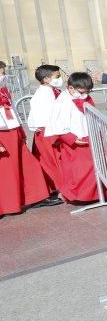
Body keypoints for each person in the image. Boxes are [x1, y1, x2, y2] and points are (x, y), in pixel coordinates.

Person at [0, 74, 61, 217]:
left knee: (29, 165)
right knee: (7, 172)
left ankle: (36, 197)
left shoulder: (4, 91)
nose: (3, 77)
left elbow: (12, 111)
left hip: (12, 130)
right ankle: (8, 205)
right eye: (1, 73)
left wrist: (20, 130)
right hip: (2, 135)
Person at [45, 72, 100, 203]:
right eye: (81, 92)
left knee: (94, 167)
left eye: (87, 92)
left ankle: (95, 194)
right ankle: (80, 196)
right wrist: (71, 138)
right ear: (70, 88)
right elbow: (57, 123)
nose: (84, 95)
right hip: (75, 140)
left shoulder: (84, 97)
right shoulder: (62, 101)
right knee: (79, 170)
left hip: (89, 135)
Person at [28, 64, 65, 195]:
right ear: (46, 79)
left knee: (56, 160)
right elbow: (46, 115)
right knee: (52, 161)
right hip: (48, 131)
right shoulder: (43, 94)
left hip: (52, 130)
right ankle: (59, 187)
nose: (60, 79)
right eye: (57, 76)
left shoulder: (52, 91)